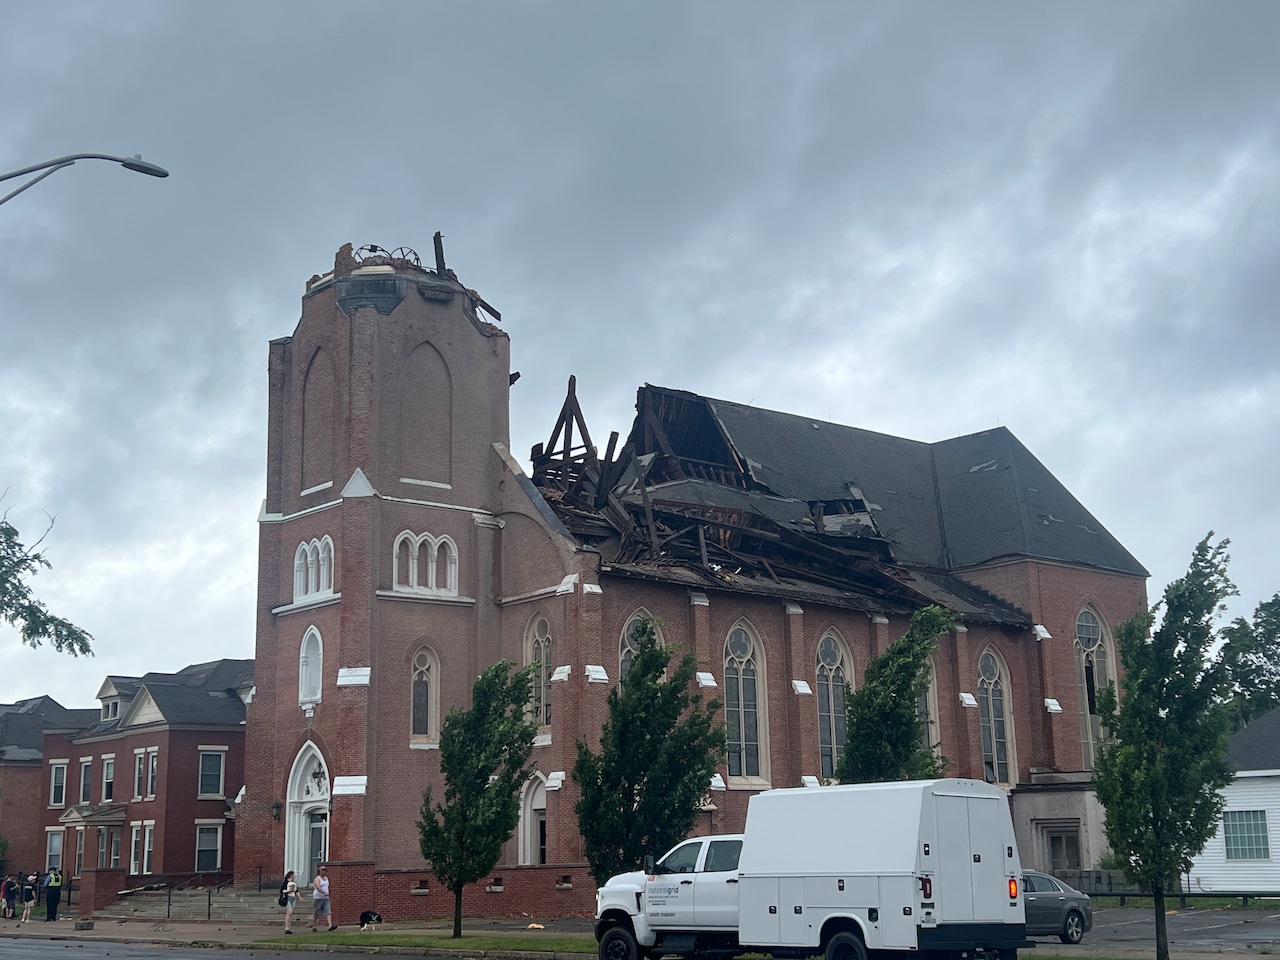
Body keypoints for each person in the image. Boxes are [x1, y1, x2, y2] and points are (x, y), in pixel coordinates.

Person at [310, 865, 335, 932]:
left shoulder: (326, 878)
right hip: (318, 898)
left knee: (328, 911)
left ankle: (330, 925)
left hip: (325, 898)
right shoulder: (317, 879)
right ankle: (314, 926)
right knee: (316, 912)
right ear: (319, 871)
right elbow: (318, 887)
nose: (324, 872)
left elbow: (327, 887)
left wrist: (328, 893)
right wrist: (323, 892)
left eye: (325, 871)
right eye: (323, 870)